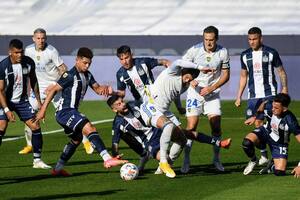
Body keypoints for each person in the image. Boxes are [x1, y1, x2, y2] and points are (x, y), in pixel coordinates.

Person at [34, 47, 127, 176]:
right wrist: (43, 110)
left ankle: (58, 169)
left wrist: (108, 90)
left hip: (70, 113)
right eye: (84, 63)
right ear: (77, 60)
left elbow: (98, 89)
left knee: (76, 140)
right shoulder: (69, 75)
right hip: (65, 112)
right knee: (89, 128)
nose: (87, 65)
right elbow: (53, 90)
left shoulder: (88, 75)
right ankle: (107, 159)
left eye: (89, 63)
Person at [139, 59, 231, 178]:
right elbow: (177, 61)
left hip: (164, 111)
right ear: (183, 71)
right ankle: (163, 162)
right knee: (169, 126)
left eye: (191, 78)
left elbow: (174, 94)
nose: (188, 79)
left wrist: (179, 107)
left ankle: (167, 165)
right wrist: (200, 67)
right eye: (188, 76)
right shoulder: (173, 72)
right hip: (150, 106)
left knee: (183, 138)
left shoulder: (185, 86)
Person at [107, 95, 231, 175]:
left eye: (122, 101)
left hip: (158, 129)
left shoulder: (134, 104)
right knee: (165, 157)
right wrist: (115, 155)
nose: (123, 104)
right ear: (114, 110)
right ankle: (161, 163)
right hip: (149, 141)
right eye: (118, 104)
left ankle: (219, 143)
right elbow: (115, 142)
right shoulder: (118, 124)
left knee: (187, 133)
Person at [19, 28, 94, 155]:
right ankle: (29, 145)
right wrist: (29, 88)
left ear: (46, 38)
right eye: (38, 38)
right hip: (38, 89)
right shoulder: (28, 50)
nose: (41, 41)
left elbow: (63, 69)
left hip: (55, 88)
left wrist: (55, 84)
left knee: (69, 114)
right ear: (33, 38)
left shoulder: (51, 51)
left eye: (43, 38)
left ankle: (86, 141)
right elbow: (28, 71)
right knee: (29, 116)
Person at [235, 27, 288, 166]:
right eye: (250, 39)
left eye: (254, 39)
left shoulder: (271, 53)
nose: (252, 42)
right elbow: (243, 76)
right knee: (257, 124)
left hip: (270, 94)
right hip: (253, 96)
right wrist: (239, 96)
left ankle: (275, 156)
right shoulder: (245, 55)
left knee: (271, 126)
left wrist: (285, 88)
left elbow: (281, 71)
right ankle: (264, 155)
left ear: (261, 38)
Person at [181, 26, 230, 173]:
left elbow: (226, 75)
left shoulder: (223, 52)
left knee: (215, 126)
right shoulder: (194, 50)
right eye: (206, 39)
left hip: (212, 94)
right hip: (195, 93)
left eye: (211, 40)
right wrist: (190, 80)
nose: (208, 43)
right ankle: (186, 160)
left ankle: (216, 159)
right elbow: (181, 67)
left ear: (217, 39)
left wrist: (212, 88)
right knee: (191, 127)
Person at [0, 39, 51, 169]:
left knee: (35, 126)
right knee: (1, 126)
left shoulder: (28, 63)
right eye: (16, 53)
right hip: (5, 100)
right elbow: (0, 90)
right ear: (10, 52)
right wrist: (6, 110)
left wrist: (39, 103)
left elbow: (34, 82)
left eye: (21, 52)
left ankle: (37, 161)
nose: (19, 55)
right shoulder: (3, 66)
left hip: (22, 101)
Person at [241, 93, 300, 176]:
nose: (272, 109)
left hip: (280, 142)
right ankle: (254, 160)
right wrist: (255, 117)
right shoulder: (269, 104)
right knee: (247, 143)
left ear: (284, 109)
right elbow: (262, 107)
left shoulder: (291, 121)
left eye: (276, 108)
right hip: (265, 131)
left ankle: (271, 166)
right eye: (272, 106)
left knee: (279, 172)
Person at [116, 45, 185, 113]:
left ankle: (179, 108)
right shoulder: (120, 74)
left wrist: (170, 66)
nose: (124, 62)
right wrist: (112, 93)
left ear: (131, 55)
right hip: (141, 104)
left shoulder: (143, 62)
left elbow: (164, 61)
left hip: (156, 97)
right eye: (121, 59)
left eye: (126, 58)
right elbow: (121, 93)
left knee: (172, 87)